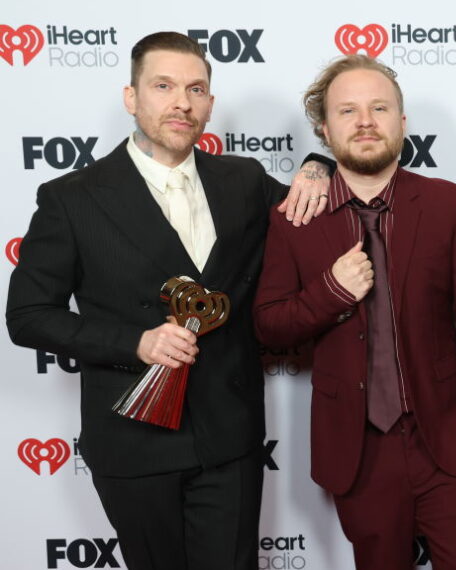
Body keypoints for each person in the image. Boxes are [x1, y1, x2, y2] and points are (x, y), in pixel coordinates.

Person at [6, 31, 328, 570]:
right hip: (134, 443)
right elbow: (28, 317)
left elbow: (311, 209)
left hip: (231, 439)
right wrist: (137, 342)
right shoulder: (72, 198)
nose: (182, 101)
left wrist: (318, 164)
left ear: (209, 105)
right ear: (132, 98)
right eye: (163, 86)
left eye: (195, 89)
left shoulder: (244, 180)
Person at [253, 55, 456, 570]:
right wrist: (330, 291)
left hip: (451, 442)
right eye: (348, 111)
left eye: (380, 108)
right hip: (359, 448)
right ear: (324, 129)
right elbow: (268, 324)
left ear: (403, 122)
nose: (365, 121)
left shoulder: (447, 204)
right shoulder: (294, 218)